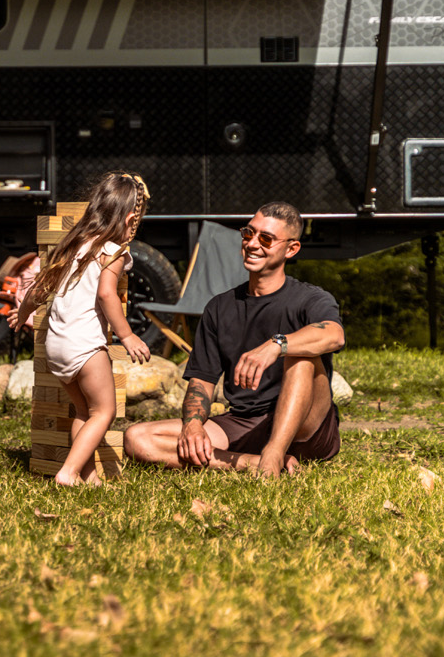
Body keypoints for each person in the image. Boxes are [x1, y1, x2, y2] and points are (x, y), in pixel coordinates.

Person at [123, 201, 344, 478]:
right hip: (244, 421)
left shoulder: (310, 299)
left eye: (266, 238)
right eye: (248, 233)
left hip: (307, 427)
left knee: (300, 357)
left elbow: (334, 335)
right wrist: (192, 426)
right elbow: (201, 382)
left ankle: (274, 454)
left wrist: (276, 346)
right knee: (137, 438)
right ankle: (250, 462)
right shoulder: (219, 307)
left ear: (291, 249)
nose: (252, 244)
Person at [13, 172, 154, 486]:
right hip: (85, 346)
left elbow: (38, 289)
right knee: (104, 412)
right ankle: (68, 472)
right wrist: (127, 335)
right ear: (131, 219)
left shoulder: (73, 245)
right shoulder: (113, 251)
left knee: (84, 411)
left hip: (56, 345)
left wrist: (22, 315)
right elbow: (106, 294)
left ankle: (88, 477)